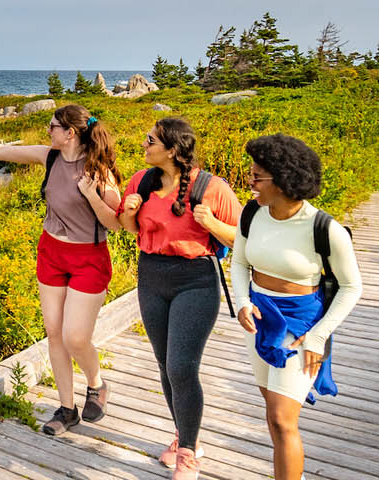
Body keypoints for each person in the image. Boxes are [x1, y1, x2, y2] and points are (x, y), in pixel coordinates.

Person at [0, 104, 124, 436]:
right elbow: (0, 150)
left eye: (52, 126)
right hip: (51, 253)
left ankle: (96, 384)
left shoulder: (99, 170)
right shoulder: (49, 156)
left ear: (70, 133)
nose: (48, 131)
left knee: (75, 337)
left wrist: (92, 196)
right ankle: (66, 409)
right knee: (54, 334)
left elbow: (117, 223)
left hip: (88, 258)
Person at [229, 134, 363, 479]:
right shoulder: (252, 213)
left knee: (281, 418)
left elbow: (351, 287)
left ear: (283, 181)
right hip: (259, 319)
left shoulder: (325, 228)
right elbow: (240, 263)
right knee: (272, 413)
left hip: (301, 324)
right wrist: (242, 300)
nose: (250, 181)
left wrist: (318, 337)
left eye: (257, 176)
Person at [117, 117, 240, 479]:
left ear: (171, 149)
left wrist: (212, 225)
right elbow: (130, 230)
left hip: (195, 281)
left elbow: (241, 239)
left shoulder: (212, 187)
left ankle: (188, 455)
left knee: (181, 367)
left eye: (150, 139)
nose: (144, 143)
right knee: (164, 364)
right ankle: (185, 437)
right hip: (151, 275)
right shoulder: (141, 181)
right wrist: (128, 213)